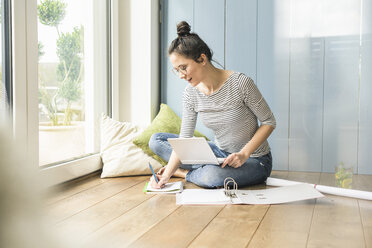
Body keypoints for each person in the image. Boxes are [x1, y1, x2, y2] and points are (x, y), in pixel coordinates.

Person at [149, 21, 276, 189]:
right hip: (219, 153)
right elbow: (184, 140)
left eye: (183, 68)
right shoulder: (190, 93)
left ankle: (187, 173)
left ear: (202, 59)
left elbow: (269, 121)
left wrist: (244, 154)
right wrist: (166, 176)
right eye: (177, 70)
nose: (181, 75)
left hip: (254, 160)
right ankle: (203, 167)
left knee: (212, 176)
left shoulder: (240, 83)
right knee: (156, 140)